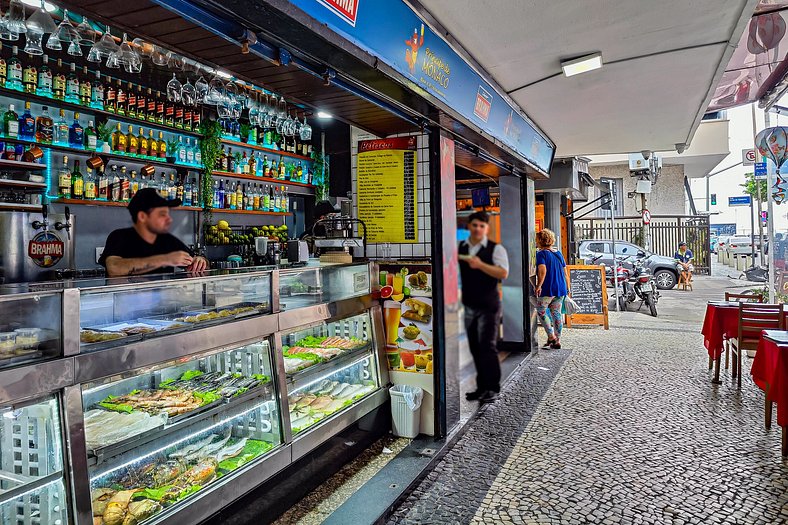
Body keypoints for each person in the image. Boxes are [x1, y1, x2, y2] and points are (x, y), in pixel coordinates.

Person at [458, 211, 509, 404]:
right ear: (469, 227)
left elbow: (503, 272)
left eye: (482, 226)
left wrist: (480, 265)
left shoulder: (496, 249)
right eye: (475, 225)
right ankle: (481, 387)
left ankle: (492, 387)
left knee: (487, 345)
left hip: (489, 305)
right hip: (469, 304)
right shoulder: (462, 247)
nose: (478, 229)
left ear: (486, 228)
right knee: (474, 347)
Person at [99, 188, 209, 277]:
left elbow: (198, 261)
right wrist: (166, 259)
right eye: (162, 214)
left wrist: (200, 261)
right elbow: (114, 269)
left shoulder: (167, 240)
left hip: (163, 303)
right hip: (128, 302)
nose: (169, 219)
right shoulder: (119, 237)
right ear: (142, 216)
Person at [534, 229, 568, 349]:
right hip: (561, 287)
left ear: (540, 240)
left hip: (549, 287)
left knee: (541, 310)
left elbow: (543, 271)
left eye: (537, 239)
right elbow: (565, 272)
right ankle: (556, 340)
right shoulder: (558, 253)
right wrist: (568, 288)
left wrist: (539, 286)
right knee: (556, 314)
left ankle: (551, 336)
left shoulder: (541, 254)